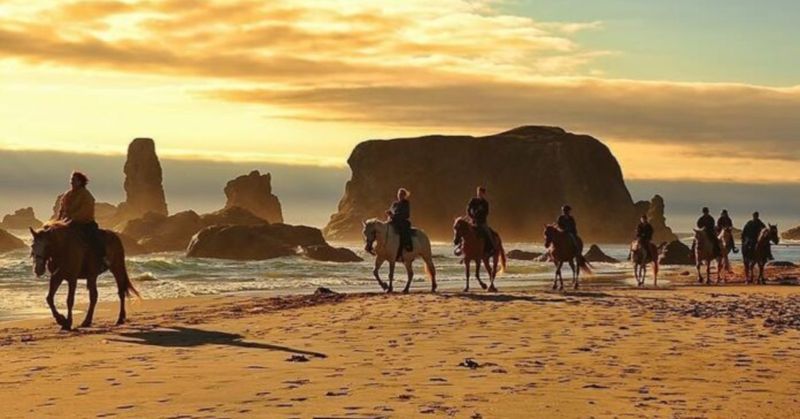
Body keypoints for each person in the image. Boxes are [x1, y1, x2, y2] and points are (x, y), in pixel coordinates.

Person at [57, 171, 106, 269]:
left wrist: (72, 218)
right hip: (67, 222)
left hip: (85, 223)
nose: (71, 182)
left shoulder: (86, 195)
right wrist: (57, 222)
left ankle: (102, 260)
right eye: (71, 180)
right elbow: (61, 209)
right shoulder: (67, 194)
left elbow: (85, 210)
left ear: (80, 182)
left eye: (74, 180)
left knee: (94, 239)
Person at [467, 186, 494, 255]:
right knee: (464, 231)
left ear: (483, 194)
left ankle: (491, 248)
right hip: (473, 221)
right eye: (478, 192)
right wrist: (471, 216)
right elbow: (468, 209)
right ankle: (461, 249)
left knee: (488, 233)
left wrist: (480, 214)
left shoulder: (485, 203)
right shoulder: (473, 200)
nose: (479, 194)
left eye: (481, 193)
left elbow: (486, 213)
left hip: (482, 222)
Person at [387, 188, 413, 257]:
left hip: (402, 221)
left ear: (404, 195)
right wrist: (389, 215)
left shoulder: (406, 203)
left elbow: (406, 214)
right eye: (399, 194)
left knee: (403, 231)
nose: (400, 196)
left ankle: (407, 245)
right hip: (393, 221)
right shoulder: (394, 204)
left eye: (401, 194)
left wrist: (394, 216)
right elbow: (391, 212)